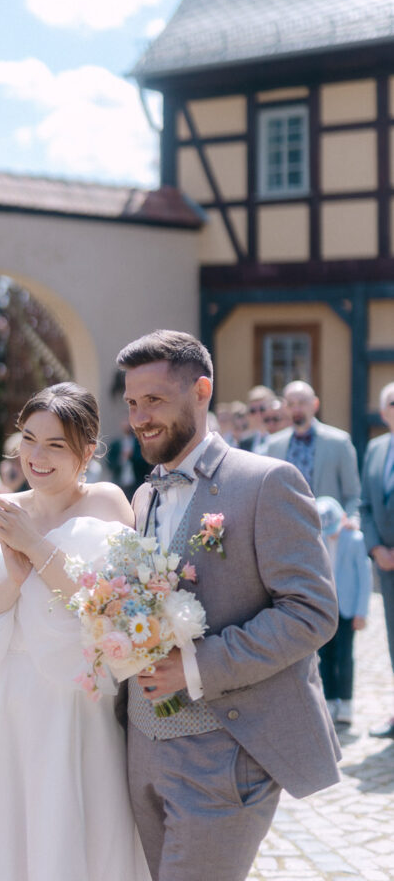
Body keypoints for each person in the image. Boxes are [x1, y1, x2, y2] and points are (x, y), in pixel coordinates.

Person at [116, 330, 340, 881]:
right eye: (132, 403)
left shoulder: (266, 483)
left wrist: (196, 666)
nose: (140, 417)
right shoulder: (143, 495)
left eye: (155, 400)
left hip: (227, 750)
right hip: (140, 749)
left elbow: (312, 611)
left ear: (201, 391)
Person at [0, 383, 150, 881]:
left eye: (55, 444)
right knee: (1, 837)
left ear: (87, 451)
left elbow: (108, 611)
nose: (36, 457)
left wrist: (34, 547)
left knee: (71, 831)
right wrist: (13, 584)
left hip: (74, 700)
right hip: (2, 699)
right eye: (28, 438)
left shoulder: (107, 503)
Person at [265, 380, 361, 519]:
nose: (297, 409)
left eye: (302, 403)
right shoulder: (274, 445)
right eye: (291, 404)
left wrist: (352, 522)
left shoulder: (339, 442)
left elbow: (353, 494)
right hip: (286, 529)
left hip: (327, 531)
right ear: (285, 408)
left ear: (315, 404)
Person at [315, 496, 371, 727]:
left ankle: (346, 701)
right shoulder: (318, 542)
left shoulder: (355, 540)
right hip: (324, 609)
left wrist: (362, 612)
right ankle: (330, 699)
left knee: (344, 656)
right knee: (325, 656)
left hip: (347, 609)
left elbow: (365, 579)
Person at [359, 380, 394, 740]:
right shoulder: (376, 449)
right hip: (386, 566)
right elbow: (366, 505)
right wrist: (376, 548)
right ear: (384, 412)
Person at [107, 419, 151, 499]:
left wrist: (132, 457)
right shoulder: (116, 443)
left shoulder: (139, 443)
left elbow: (146, 462)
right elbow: (110, 463)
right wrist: (121, 459)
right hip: (119, 482)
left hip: (136, 483)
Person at [238, 385, 276, 453]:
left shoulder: (282, 438)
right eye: (253, 411)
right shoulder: (245, 442)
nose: (258, 415)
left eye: (262, 409)